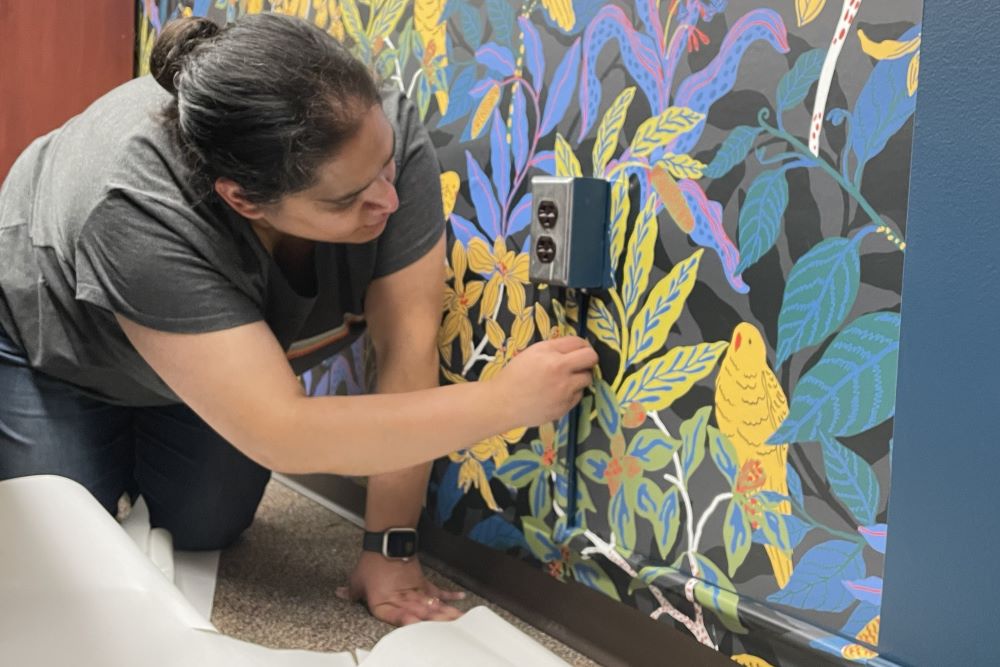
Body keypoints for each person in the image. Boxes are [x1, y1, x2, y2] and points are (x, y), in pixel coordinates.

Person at [0, 13, 597, 626]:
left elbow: (406, 346)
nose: (389, 202)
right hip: (56, 346)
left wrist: (390, 548)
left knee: (207, 527)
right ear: (243, 200)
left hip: (206, 365)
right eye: (346, 200)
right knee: (57, 554)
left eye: (386, 170)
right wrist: (504, 402)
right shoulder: (134, 209)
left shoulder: (373, 136)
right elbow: (282, 430)